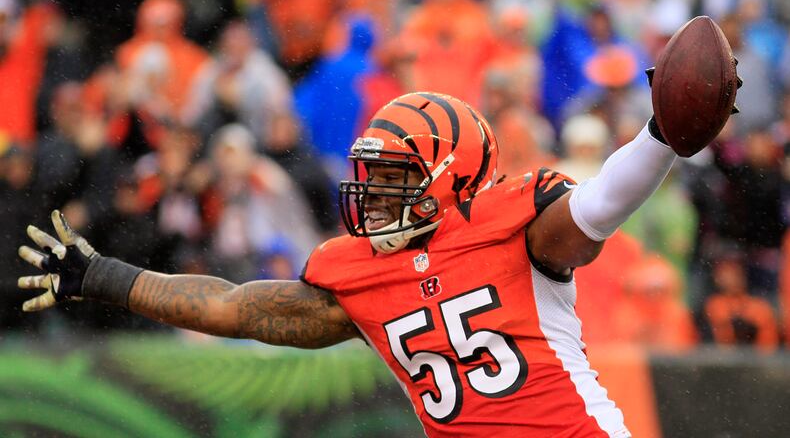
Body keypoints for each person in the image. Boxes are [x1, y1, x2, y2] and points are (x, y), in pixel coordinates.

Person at [16, 91, 696, 436]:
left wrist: (661, 134)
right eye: (369, 177)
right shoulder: (362, 272)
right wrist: (105, 277)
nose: (371, 195)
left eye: (393, 178)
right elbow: (232, 306)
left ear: (448, 176)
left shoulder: (516, 229)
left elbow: (603, 203)